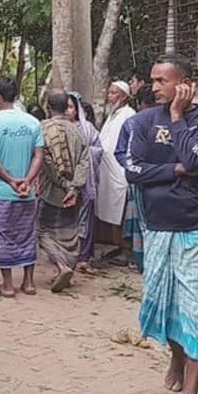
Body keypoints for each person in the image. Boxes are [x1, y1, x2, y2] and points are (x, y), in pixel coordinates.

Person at [125, 53, 198, 394]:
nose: (154, 87)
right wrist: (181, 171)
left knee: (196, 308)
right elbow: (133, 170)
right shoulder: (142, 122)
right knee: (161, 305)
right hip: (157, 228)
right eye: (152, 80)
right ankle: (177, 356)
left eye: (161, 81)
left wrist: (179, 117)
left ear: (184, 84)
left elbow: (196, 156)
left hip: (196, 228)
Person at [0, 77, 45, 297]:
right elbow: (38, 155)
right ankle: (28, 283)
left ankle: (7, 285)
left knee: (2, 234)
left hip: (1, 191)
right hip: (28, 191)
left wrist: (10, 180)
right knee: (28, 233)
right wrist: (26, 179)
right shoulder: (33, 122)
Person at [38, 90, 90, 292]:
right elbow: (85, 162)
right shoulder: (78, 131)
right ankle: (68, 270)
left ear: (48, 107)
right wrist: (75, 187)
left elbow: (47, 161)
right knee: (70, 232)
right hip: (74, 193)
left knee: (42, 231)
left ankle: (62, 266)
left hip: (51, 191)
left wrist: (64, 184)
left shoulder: (43, 128)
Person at [117, 85, 156, 272]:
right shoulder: (132, 123)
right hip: (142, 182)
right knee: (144, 224)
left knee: (145, 225)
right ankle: (145, 263)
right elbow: (121, 152)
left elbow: (120, 153)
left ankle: (148, 263)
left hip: (151, 181)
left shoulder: (168, 122)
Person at [65, 92, 103, 270]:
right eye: (65, 106)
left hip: (85, 182)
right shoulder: (58, 127)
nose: (67, 110)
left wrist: (85, 153)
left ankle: (83, 257)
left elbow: (99, 150)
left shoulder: (87, 128)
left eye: (71, 107)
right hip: (64, 182)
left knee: (85, 218)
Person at [97, 81, 136, 231]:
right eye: (109, 93)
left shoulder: (129, 114)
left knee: (117, 199)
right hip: (105, 165)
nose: (110, 96)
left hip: (117, 166)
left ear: (124, 96)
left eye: (114, 93)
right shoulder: (112, 114)